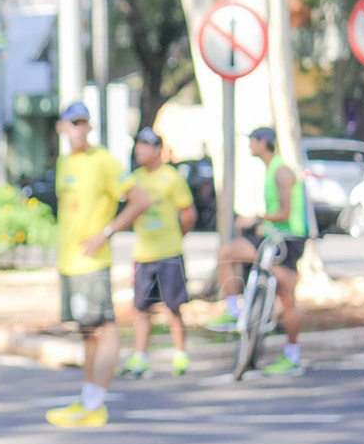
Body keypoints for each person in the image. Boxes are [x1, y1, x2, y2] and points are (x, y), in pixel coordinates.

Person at [45, 102, 150, 428]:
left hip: (92, 263)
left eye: (84, 122)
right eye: (72, 123)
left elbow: (141, 200)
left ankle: (95, 404)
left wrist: (105, 233)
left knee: (104, 329)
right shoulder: (65, 162)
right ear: (62, 127)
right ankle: (87, 400)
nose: (79, 128)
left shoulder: (104, 161)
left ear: (89, 126)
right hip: (69, 262)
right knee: (88, 332)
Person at [206, 126, 309, 375]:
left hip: (285, 240)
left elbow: (285, 213)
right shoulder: (272, 169)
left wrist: (256, 219)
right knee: (230, 254)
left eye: (252, 141)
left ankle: (235, 311)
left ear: (263, 143)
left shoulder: (281, 171)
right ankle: (241, 312)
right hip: (276, 237)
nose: (249, 146)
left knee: (285, 293)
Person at [118, 127, 197, 378]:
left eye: (145, 145)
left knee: (174, 306)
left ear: (157, 150)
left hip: (169, 251)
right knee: (142, 308)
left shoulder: (171, 177)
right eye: (137, 144)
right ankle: (140, 357)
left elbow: (188, 213)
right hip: (144, 253)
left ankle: (180, 354)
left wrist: (176, 237)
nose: (139, 149)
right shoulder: (134, 179)